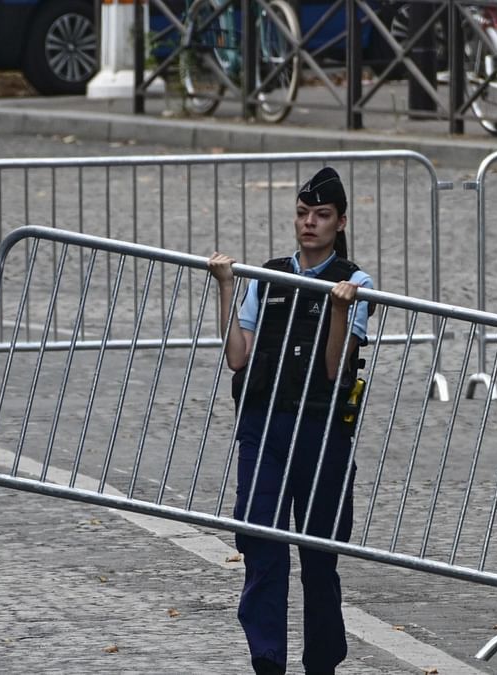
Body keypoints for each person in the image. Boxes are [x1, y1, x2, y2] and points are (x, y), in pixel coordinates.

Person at [208, 166, 373, 675]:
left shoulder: (356, 280)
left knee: (319, 554)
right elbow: (238, 357)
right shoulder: (270, 274)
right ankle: (267, 661)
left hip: (322, 432)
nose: (309, 223)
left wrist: (341, 308)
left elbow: (332, 368)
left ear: (340, 222)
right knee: (260, 543)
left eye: (321, 215)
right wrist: (226, 287)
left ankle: (321, 663)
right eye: (303, 214)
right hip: (264, 425)